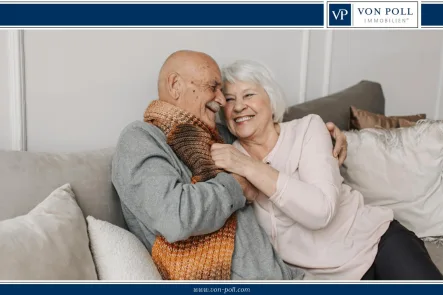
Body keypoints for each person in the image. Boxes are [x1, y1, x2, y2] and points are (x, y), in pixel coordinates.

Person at [111, 50, 348, 280]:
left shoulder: (218, 135)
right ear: (175, 85)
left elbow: (266, 128)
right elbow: (174, 217)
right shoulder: (140, 139)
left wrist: (333, 136)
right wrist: (238, 186)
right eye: (213, 87)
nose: (222, 100)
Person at [211, 59, 443, 280]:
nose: (239, 106)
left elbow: (320, 211)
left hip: (376, 243)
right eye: (230, 99)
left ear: (271, 100)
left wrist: (250, 167)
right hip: (320, 278)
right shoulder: (229, 155)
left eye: (249, 94)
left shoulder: (307, 129)